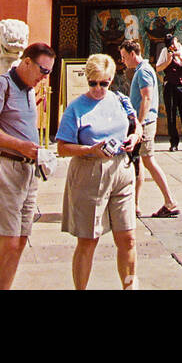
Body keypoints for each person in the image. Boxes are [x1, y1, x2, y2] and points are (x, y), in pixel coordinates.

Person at [0, 41, 56, 290]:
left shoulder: (30, 91)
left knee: (20, 241)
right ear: (26, 62)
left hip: (28, 171)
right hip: (6, 167)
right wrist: (20, 146)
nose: (45, 78)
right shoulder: (2, 84)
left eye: (49, 73)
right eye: (43, 71)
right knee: (8, 241)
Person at [56, 53, 139, 289]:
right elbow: (62, 148)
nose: (98, 88)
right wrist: (90, 149)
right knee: (88, 240)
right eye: (93, 82)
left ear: (112, 79)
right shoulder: (76, 108)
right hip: (90, 172)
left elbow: (136, 124)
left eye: (104, 83)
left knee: (128, 238)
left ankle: (129, 286)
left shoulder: (120, 99)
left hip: (122, 170)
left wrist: (134, 136)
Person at [121, 39, 181, 218]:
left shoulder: (143, 72)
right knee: (139, 162)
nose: (123, 60)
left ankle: (170, 202)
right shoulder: (142, 70)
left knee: (147, 160)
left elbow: (146, 98)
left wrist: (138, 123)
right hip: (144, 123)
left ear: (133, 54)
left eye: (124, 56)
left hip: (145, 124)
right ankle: (135, 205)